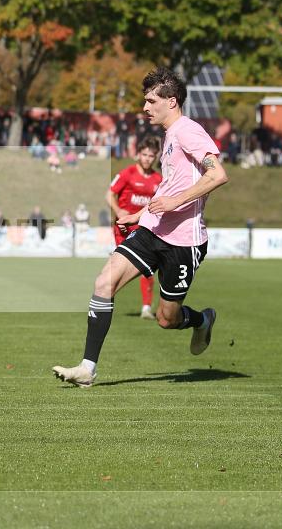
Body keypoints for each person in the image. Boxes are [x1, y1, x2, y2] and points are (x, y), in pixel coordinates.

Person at [53, 67, 228, 388]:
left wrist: (176, 202)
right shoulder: (170, 135)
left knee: (166, 319)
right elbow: (171, 184)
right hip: (152, 231)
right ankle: (87, 369)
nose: (145, 107)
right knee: (104, 282)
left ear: (171, 102)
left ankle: (202, 319)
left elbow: (217, 175)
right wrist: (140, 214)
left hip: (184, 242)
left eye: (151, 101)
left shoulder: (189, 131)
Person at [105, 135, 163, 320]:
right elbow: (109, 194)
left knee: (147, 269)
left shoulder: (158, 179)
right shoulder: (127, 174)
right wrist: (118, 211)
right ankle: (103, 299)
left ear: (156, 157)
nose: (147, 159)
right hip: (123, 229)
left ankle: (146, 308)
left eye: (151, 155)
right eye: (144, 154)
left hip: (144, 230)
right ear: (138, 154)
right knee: (118, 269)